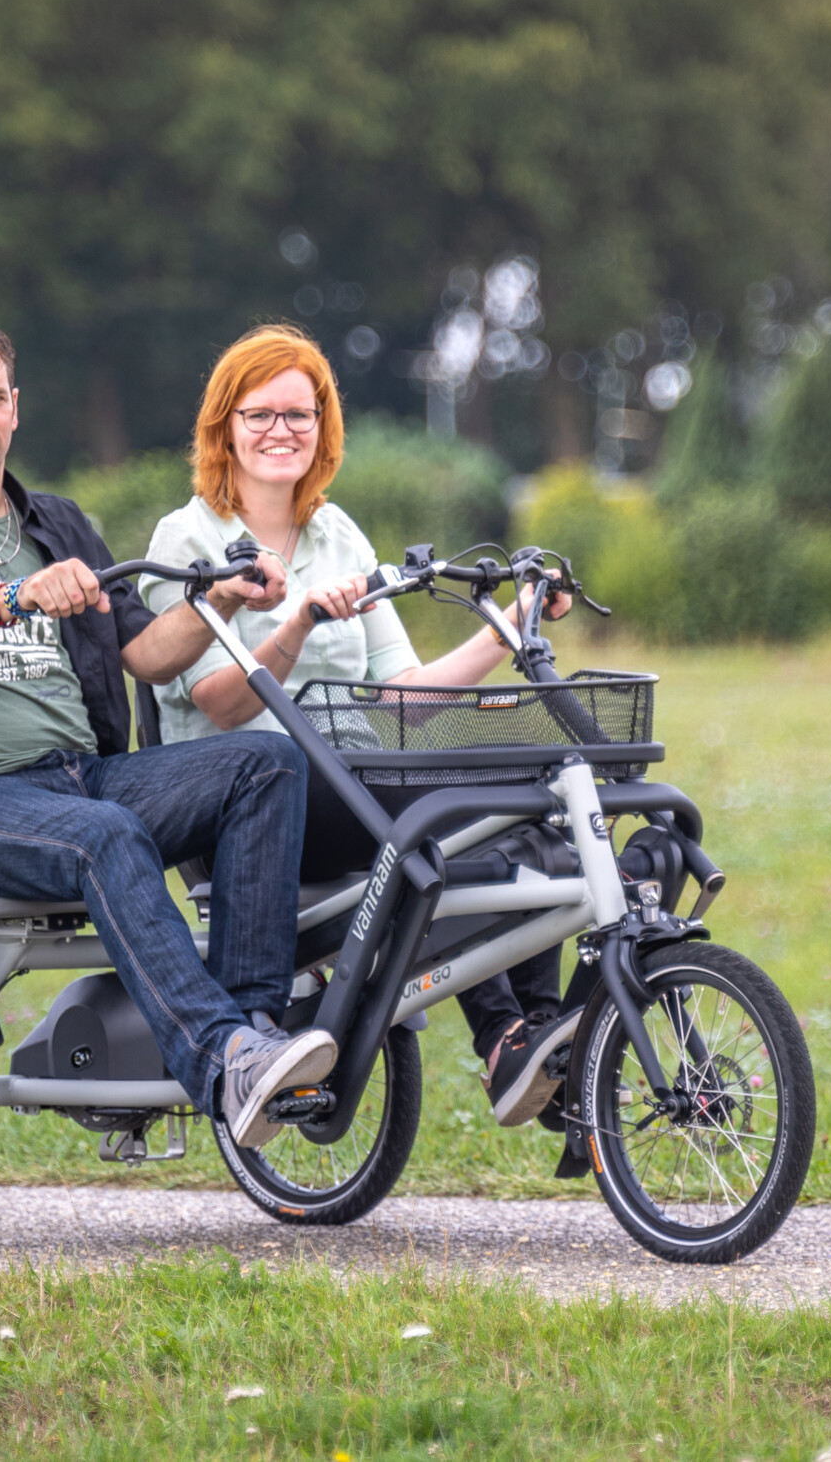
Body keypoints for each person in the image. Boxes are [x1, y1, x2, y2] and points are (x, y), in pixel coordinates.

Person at [0, 318, 335, 1151]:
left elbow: (149, 652)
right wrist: (10, 599)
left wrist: (224, 599)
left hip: (80, 777)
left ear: (16, 408)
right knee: (105, 836)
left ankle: (253, 1033)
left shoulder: (57, 523)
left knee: (267, 761)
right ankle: (221, 1055)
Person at [143, 322, 577, 1130]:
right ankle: (504, 1037)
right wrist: (298, 622)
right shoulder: (190, 536)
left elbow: (405, 694)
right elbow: (216, 701)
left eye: (299, 415)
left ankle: (528, 1034)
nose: (281, 430)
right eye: (260, 413)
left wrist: (508, 626)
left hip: (351, 782)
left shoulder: (339, 534)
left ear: (323, 427)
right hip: (241, 804)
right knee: (434, 817)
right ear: (225, 427)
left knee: (517, 793)